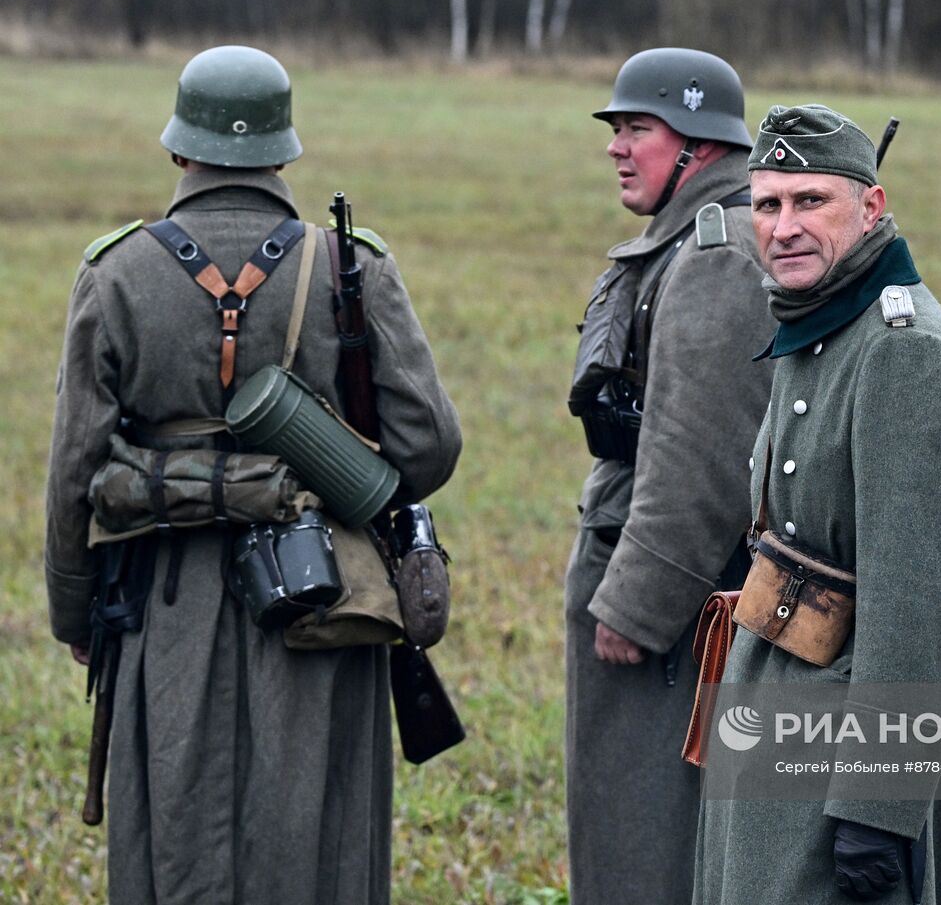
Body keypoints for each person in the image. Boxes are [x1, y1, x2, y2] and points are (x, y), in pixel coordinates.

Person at [44, 45, 461, 904]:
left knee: (174, 823)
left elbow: (74, 471)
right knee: (320, 833)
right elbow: (429, 446)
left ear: (178, 147)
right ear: (283, 150)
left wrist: (74, 609)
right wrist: (333, 459)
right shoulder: (355, 266)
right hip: (322, 599)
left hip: (164, 598)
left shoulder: (115, 272)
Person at [692, 104, 941, 904]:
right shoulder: (821, 319)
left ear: (871, 207)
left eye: (810, 201)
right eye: (767, 204)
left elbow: (925, 607)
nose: (784, 227)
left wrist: (878, 809)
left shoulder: (903, 355)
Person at [563, 47, 773, 904]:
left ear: (698, 144)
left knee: (645, 831)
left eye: (637, 130)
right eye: (616, 129)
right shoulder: (700, 232)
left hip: (679, 597)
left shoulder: (718, 251)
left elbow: (702, 454)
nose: (617, 146)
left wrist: (639, 602)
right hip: (678, 570)